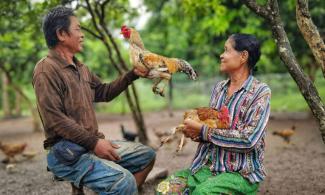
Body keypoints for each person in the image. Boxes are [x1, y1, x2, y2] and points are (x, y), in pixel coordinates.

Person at [32, 6, 155, 195]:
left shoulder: (81, 68)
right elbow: (54, 120)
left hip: (89, 144)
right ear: (61, 34)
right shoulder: (46, 70)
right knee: (124, 181)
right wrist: (95, 143)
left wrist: (132, 75)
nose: (82, 35)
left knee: (146, 156)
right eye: (78, 29)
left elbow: (103, 92)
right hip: (66, 153)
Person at [156, 34, 271, 195]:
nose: (221, 55)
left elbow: (249, 139)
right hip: (204, 169)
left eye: (226, 50)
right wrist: (195, 133)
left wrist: (204, 132)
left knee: (202, 193)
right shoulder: (219, 88)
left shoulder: (260, 92)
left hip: (239, 174)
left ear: (243, 56)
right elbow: (210, 129)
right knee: (164, 190)